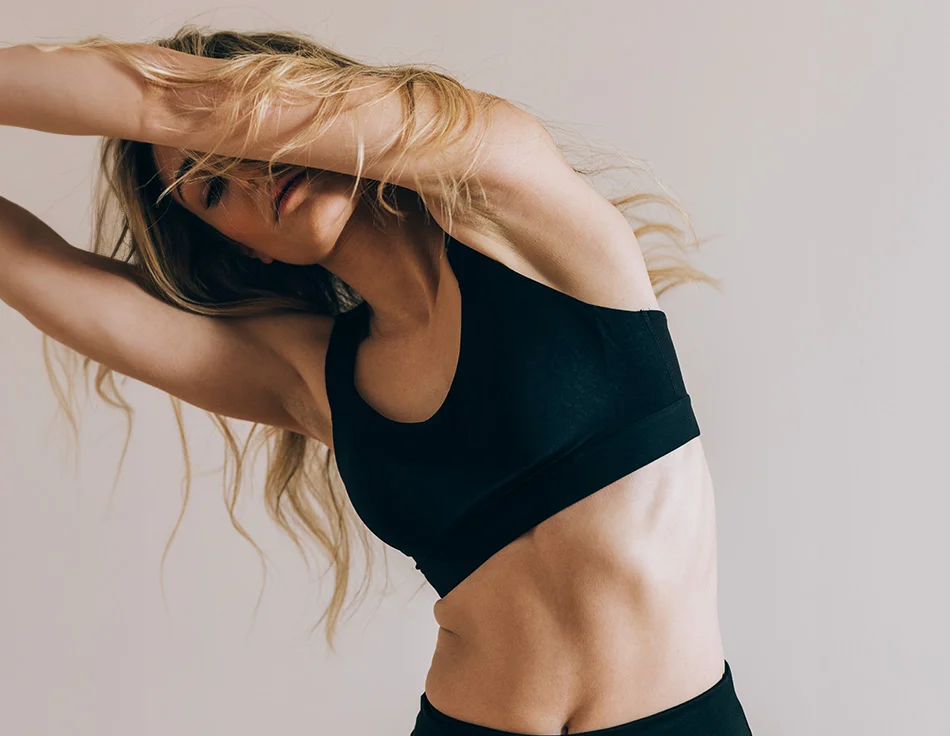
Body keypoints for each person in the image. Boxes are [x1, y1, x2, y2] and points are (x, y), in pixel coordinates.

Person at [0, 26, 753, 736]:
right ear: (243, 249)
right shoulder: (313, 376)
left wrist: (196, 112)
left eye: (233, 133)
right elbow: (38, 270)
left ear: (311, 106)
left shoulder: (514, 193)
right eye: (211, 190)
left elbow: (161, 97)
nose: (242, 170)